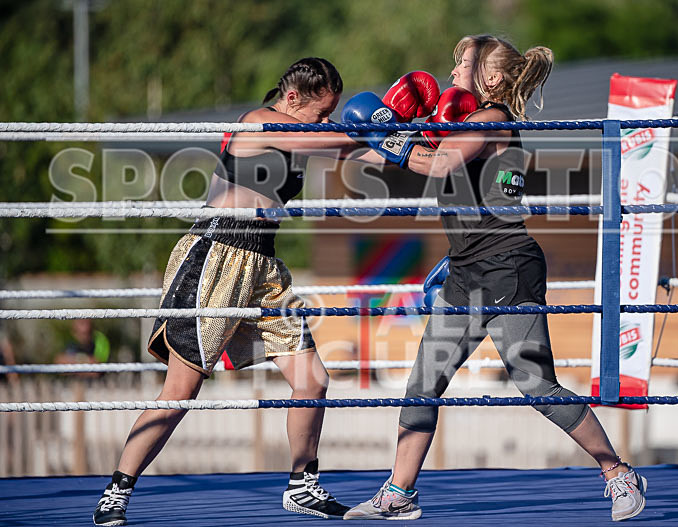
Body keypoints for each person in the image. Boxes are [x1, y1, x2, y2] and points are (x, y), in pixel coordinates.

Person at [340, 35, 647, 522]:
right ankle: (399, 492)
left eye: (463, 64)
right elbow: (374, 156)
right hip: (466, 272)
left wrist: (391, 139)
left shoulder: (493, 122)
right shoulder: (456, 125)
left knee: (535, 385)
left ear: (493, 77)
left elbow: (439, 163)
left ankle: (618, 472)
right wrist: (327, 141)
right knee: (423, 383)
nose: (453, 71)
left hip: (508, 267)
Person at [93, 57, 373, 525]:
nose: (327, 121)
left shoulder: (306, 135)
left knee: (312, 381)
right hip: (215, 255)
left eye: (332, 114)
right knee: (180, 391)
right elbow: (336, 138)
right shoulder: (258, 122)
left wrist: (419, 137)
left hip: (264, 266)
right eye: (321, 111)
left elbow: (361, 150)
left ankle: (302, 484)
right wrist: (370, 127)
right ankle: (116, 491)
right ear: (291, 99)